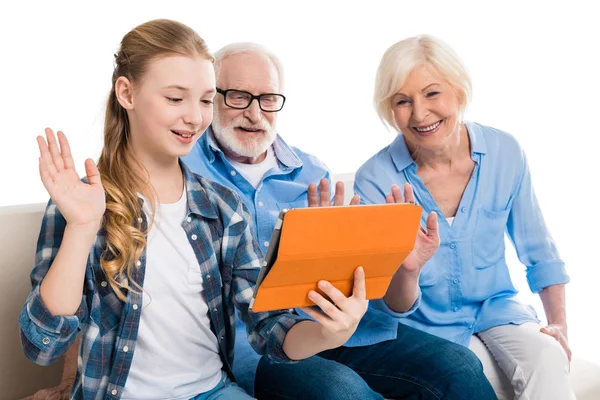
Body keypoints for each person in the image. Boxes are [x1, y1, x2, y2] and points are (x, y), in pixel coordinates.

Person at [19, 19, 370, 400]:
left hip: (212, 392)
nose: (195, 117)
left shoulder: (224, 208)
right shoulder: (81, 203)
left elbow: (270, 327)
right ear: (126, 93)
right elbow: (42, 346)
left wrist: (329, 332)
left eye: (205, 100)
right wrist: (81, 228)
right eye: (175, 99)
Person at [182, 42, 497, 400]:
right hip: (261, 343)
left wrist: (378, 261)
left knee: (459, 365)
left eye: (268, 99)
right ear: (211, 97)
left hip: (341, 326)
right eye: (239, 97)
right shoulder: (186, 170)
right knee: (343, 391)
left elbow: (352, 284)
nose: (255, 113)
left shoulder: (311, 170)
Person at [354, 34, 574, 400]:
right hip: (422, 327)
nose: (420, 114)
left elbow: (539, 249)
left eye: (432, 93)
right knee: (468, 372)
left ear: (459, 90)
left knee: (548, 357)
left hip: (498, 309)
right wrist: (409, 269)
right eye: (403, 101)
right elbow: (392, 304)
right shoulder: (376, 179)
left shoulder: (505, 151)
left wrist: (558, 324)